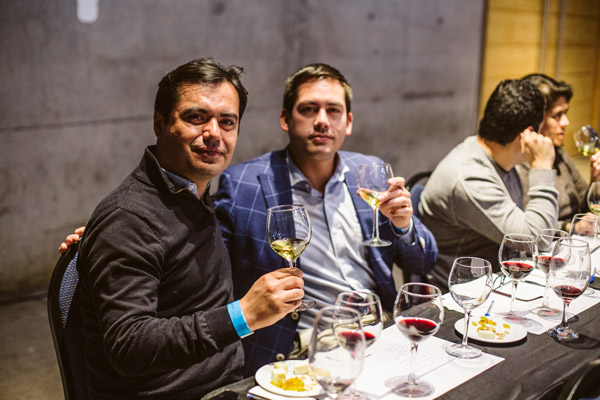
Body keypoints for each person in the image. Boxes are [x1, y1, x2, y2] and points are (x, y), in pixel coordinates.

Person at [73, 58, 304, 399]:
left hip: (229, 386)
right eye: (196, 117)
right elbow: (129, 346)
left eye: (227, 121)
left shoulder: (192, 195)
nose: (214, 133)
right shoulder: (127, 219)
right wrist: (243, 315)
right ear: (160, 123)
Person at [213, 63, 438, 376]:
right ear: (285, 119)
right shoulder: (242, 184)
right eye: (308, 109)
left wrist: (404, 225)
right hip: (305, 345)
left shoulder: (368, 173)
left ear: (348, 122)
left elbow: (424, 262)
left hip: (381, 328)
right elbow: (214, 288)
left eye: (333, 110)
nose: (321, 120)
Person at [418, 79, 559, 288]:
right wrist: (542, 166)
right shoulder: (470, 178)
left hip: (496, 279)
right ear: (527, 134)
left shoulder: (503, 160)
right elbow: (536, 242)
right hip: (463, 291)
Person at [519, 73, 600, 231]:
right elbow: (526, 226)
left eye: (565, 113)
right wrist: (571, 227)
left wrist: (595, 182)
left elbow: (583, 207)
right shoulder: (518, 163)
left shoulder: (559, 153)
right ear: (535, 119)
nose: (565, 122)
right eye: (557, 115)